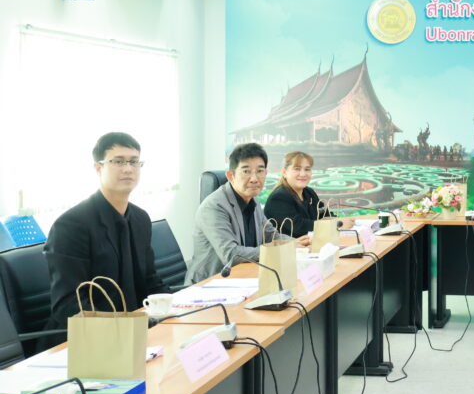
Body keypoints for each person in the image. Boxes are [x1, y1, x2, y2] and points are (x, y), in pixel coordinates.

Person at [44, 132, 169, 333]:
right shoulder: (71, 225)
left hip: (136, 328)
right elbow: (68, 304)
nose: (128, 169)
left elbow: (150, 280)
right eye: (118, 161)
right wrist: (121, 329)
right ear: (98, 168)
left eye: (134, 162)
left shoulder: (140, 218)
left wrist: (176, 309)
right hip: (87, 337)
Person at [187, 143, 310, 284]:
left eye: (260, 171)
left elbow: (270, 234)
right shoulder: (214, 207)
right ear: (230, 176)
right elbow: (231, 254)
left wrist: (296, 243)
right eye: (246, 171)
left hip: (245, 278)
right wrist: (281, 248)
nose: (254, 179)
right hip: (211, 284)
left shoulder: (252, 199)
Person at [264, 151, 322, 235]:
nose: (303, 174)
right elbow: (299, 227)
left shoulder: (309, 192)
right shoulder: (278, 197)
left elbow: (325, 215)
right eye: (297, 169)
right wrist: (330, 225)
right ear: (284, 172)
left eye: (307, 169)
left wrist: (338, 222)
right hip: (288, 243)